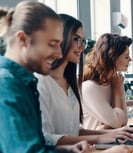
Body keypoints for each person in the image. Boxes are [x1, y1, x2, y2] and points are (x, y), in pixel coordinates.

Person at [36, 13, 133, 149]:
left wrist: (112, 134)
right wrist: (103, 136)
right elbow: (46, 138)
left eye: (83, 41)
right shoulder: (41, 82)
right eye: (76, 39)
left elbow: (72, 131)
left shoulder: (69, 83)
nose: (82, 46)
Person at [0, 1, 90, 152]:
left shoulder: (25, 83)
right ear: (23, 39)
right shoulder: (7, 85)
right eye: (52, 44)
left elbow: (37, 145)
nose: (59, 54)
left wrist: (66, 150)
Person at [82, 33, 132, 130]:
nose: (130, 60)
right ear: (112, 57)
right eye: (126, 57)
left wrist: (108, 126)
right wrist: (117, 90)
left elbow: (124, 121)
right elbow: (117, 123)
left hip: (112, 141)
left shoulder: (115, 81)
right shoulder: (89, 87)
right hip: (94, 144)